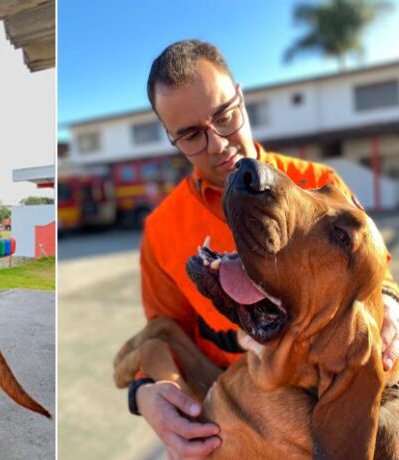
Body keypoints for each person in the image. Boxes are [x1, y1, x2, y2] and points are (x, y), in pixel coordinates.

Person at [126, 40, 399, 459]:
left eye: (224, 115)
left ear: (241, 95)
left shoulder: (319, 181)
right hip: (227, 409)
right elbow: (165, 328)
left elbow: (372, 270)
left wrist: (390, 302)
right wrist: (146, 392)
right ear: (171, 139)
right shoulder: (162, 230)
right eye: (192, 135)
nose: (218, 144)